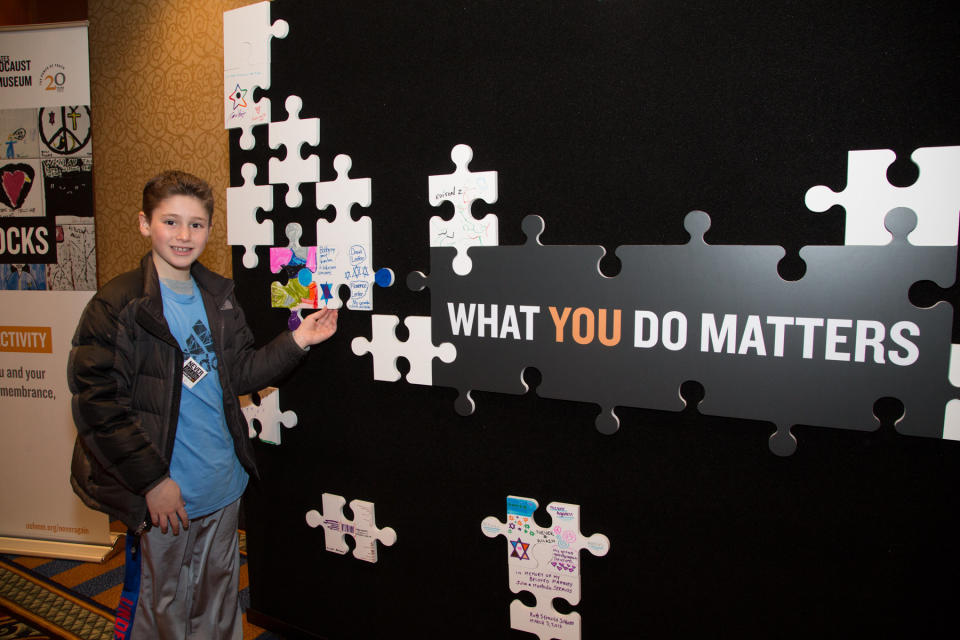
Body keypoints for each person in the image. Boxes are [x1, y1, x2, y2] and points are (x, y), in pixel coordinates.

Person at [68, 170, 338, 639]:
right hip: (167, 494)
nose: (183, 235)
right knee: (165, 608)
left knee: (218, 600)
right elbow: (97, 405)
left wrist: (299, 339)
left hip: (223, 484)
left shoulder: (220, 297)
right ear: (143, 224)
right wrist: (152, 483)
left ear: (209, 231)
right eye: (170, 222)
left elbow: (240, 373)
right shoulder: (118, 305)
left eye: (195, 224)